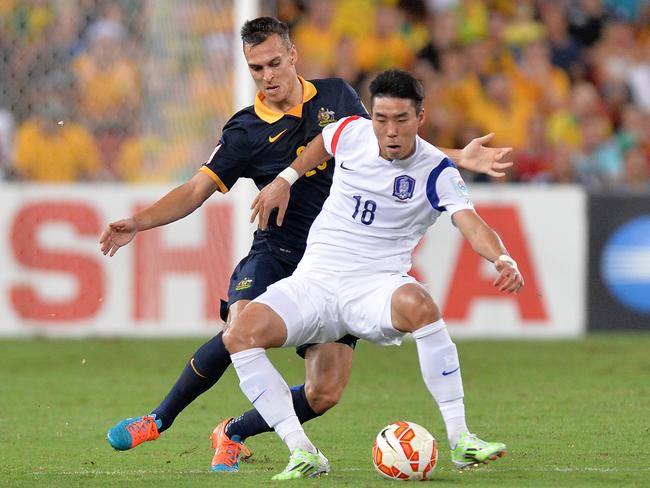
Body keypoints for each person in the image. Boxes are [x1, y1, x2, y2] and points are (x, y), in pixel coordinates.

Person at [100, 17, 512, 474]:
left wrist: (455, 157)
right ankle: (160, 417)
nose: (267, 76)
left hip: (348, 261)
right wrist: (138, 222)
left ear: (293, 56)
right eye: (256, 69)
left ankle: (234, 431)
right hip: (281, 251)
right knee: (240, 325)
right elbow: (196, 191)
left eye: (274, 63)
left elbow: (389, 140)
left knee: (324, 393)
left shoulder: (336, 97)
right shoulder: (244, 131)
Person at [222, 68, 524, 480]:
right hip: (315, 281)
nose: (390, 130)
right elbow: (320, 145)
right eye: (382, 119)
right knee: (240, 336)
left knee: (421, 305)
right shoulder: (350, 131)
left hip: (375, 286)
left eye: (401, 120)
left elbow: (470, 222)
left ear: (420, 118)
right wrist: (286, 179)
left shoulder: (437, 171)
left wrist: (502, 258)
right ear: (372, 116)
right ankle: (302, 451)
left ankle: (461, 439)